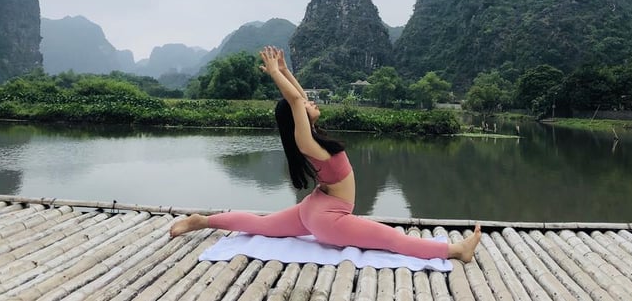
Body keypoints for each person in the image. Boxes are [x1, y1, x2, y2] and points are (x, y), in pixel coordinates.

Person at [170, 46, 482, 262]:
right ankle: (455, 251)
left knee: (261, 225)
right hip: (327, 218)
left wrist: (285, 69)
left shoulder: (310, 138)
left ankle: (203, 221)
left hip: (315, 208)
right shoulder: (307, 142)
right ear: (299, 117)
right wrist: (276, 76)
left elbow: (298, 96)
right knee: (391, 239)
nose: (311, 102)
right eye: (306, 106)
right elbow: (294, 100)